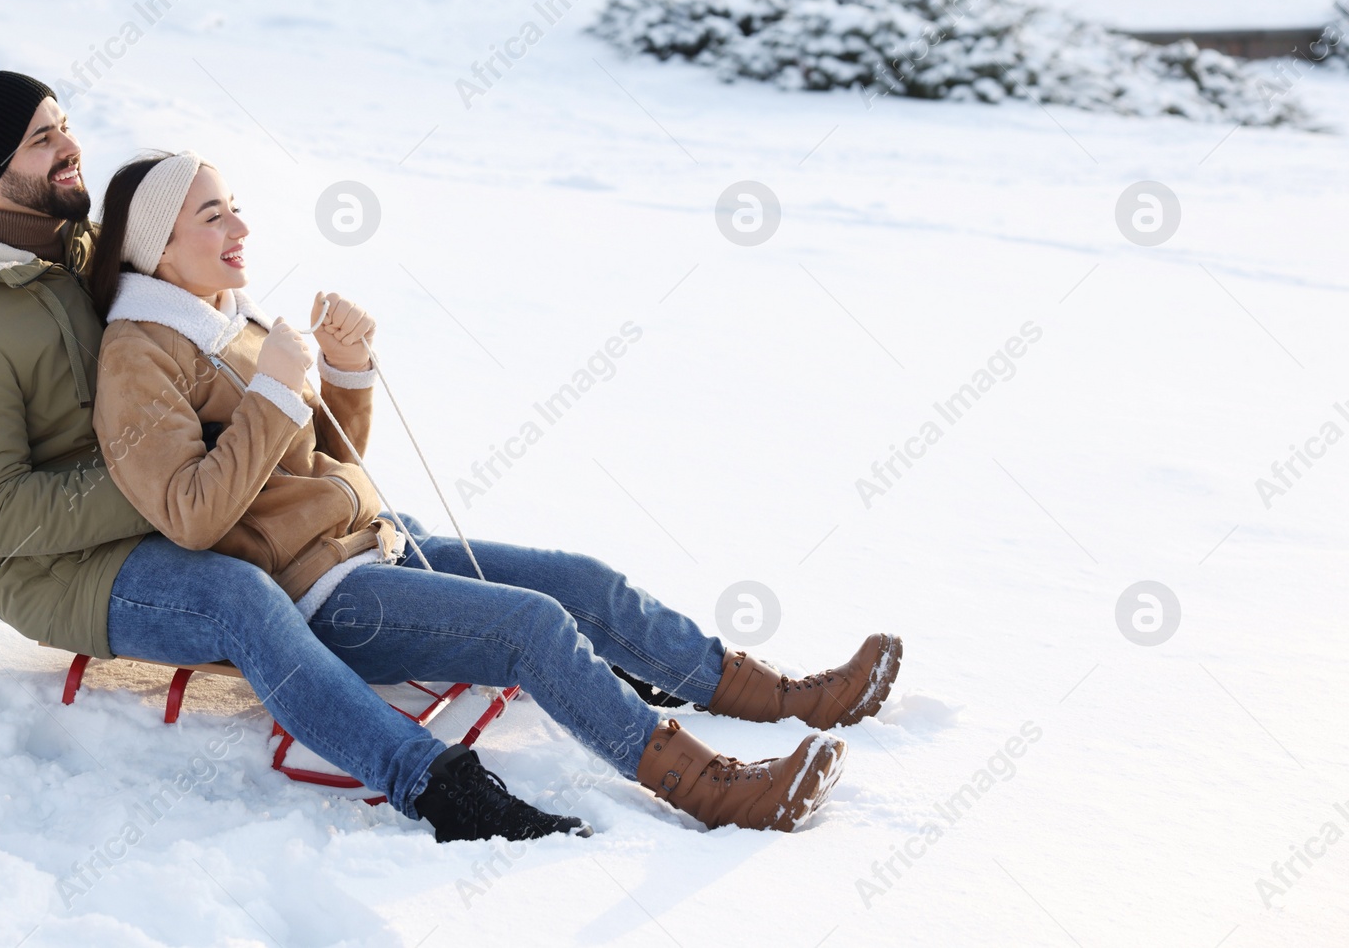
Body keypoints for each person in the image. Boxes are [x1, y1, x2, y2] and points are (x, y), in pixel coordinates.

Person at [86, 148, 906, 836]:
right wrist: (272, 394)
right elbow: (193, 516)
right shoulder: (139, 355)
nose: (241, 227)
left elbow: (325, 462)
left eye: (235, 207)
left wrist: (343, 369)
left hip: (373, 540)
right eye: (214, 216)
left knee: (582, 580)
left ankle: (781, 695)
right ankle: (709, 786)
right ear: (160, 248)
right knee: (532, 626)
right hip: (322, 596)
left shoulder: (234, 315)